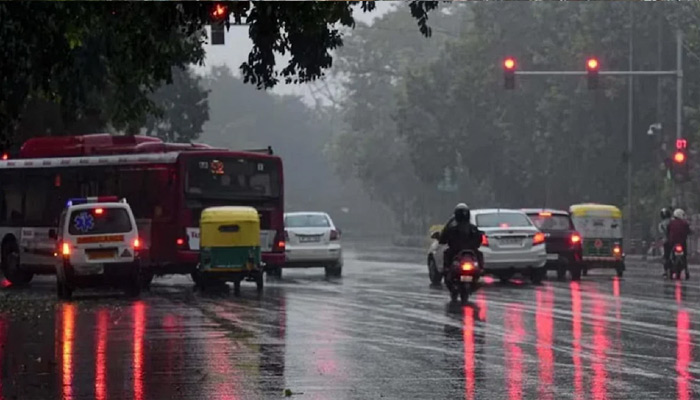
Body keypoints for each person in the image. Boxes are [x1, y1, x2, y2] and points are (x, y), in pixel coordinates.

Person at [439, 203, 484, 271]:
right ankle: (481, 268)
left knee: (447, 254)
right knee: (479, 254)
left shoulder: (452, 228)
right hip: (467, 251)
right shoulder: (473, 228)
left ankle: (447, 268)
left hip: (458, 251)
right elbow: (479, 241)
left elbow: (443, 239)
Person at [668, 208, 692, 279]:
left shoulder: (671, 223)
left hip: (673, 242)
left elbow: (668, 231)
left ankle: (670, 270)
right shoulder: (684, 223)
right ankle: (686, 271)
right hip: (682, 242)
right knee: (684, 257)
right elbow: (689, 231)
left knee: (670, 255)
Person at [658, 207, 672, 277]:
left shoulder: (661, 224)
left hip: (666, 241)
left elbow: (661, 233)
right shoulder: (673, 221)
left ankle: (665, 271)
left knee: (665, 256)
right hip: (673, 240)